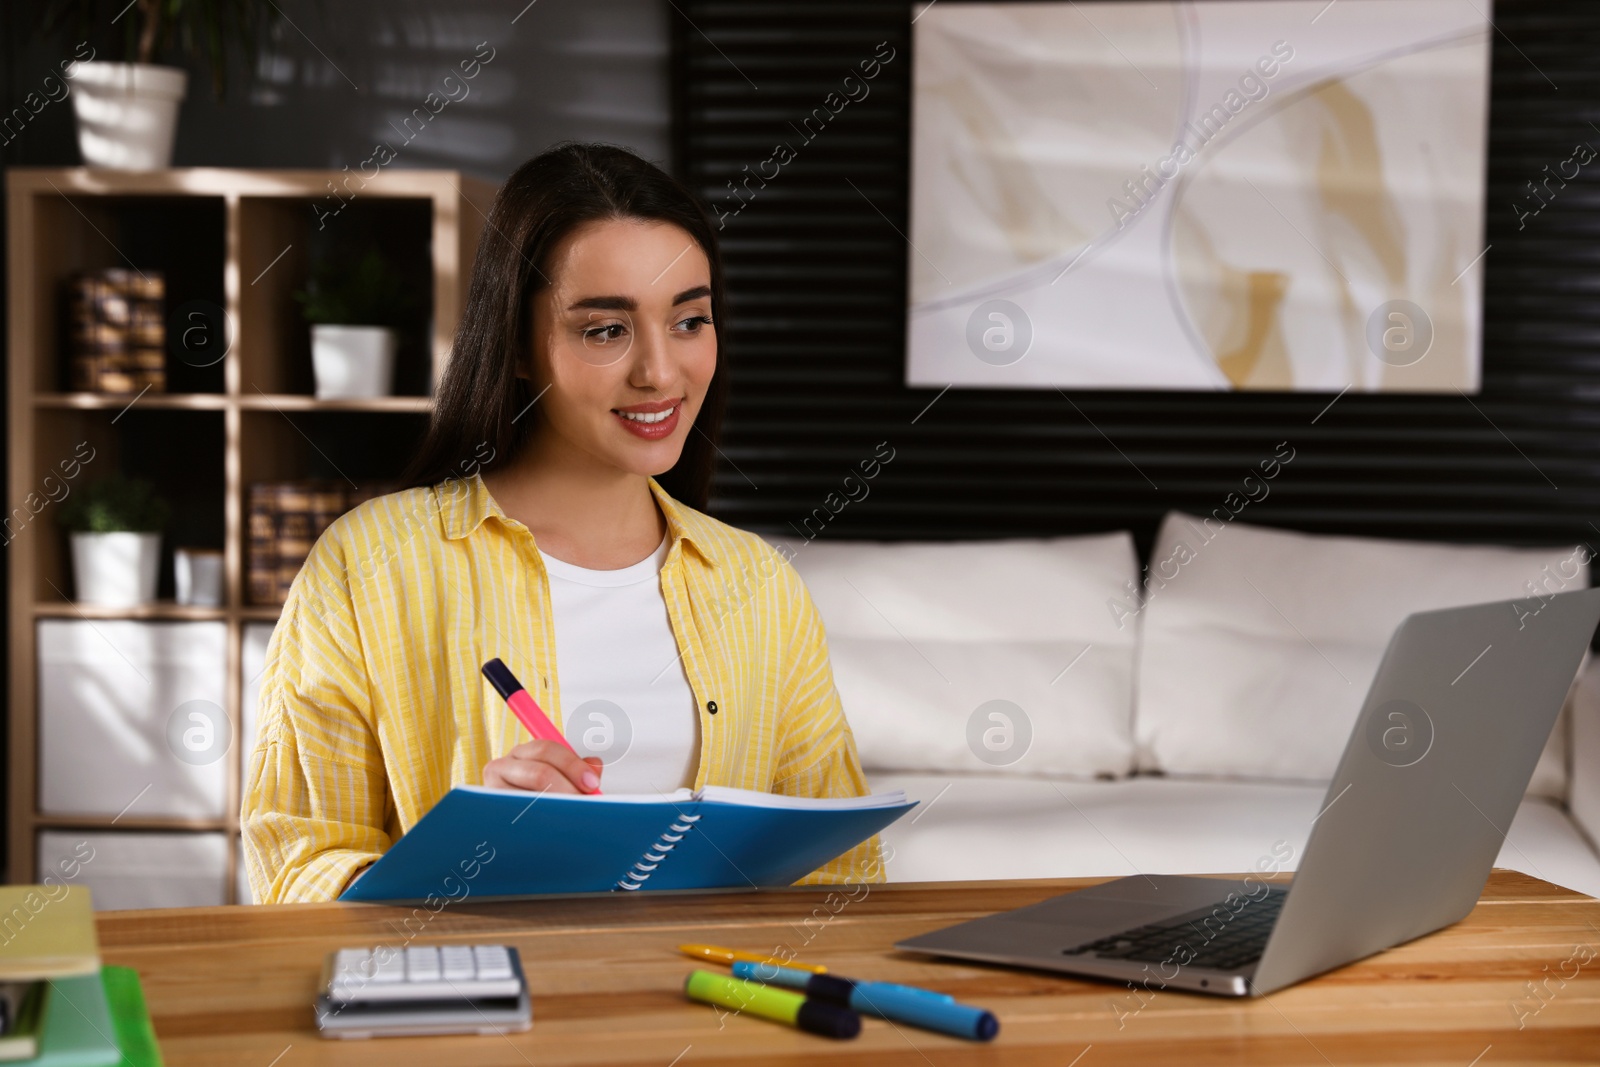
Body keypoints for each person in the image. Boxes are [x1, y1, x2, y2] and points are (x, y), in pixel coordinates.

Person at [241, 143, 882, 903]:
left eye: (689, 321)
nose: (660, 372)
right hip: (475, 1014)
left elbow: (845, 879)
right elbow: (295, 867)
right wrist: (467, 859)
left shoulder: (759, 586)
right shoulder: (368, 566)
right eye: (605, 330)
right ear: (515, 344)